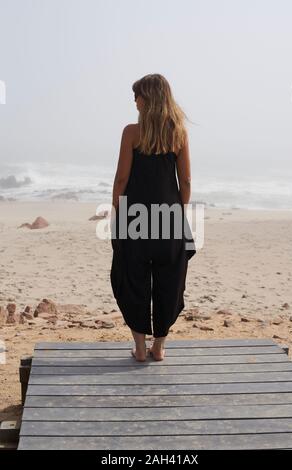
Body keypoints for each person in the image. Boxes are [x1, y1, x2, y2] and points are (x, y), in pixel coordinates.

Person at [110, 73, 196, 362]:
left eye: (136, 95)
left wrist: (115, 210)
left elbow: (122, 178)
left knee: (131, 276)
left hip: (134, 218)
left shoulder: (131, 133)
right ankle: (158, 347)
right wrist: (178, 213)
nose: (134, 101)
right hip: (168, 218)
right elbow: (185, 182)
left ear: (147, 98)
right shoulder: (179, 133)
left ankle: (140, 348)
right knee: (169, 279)